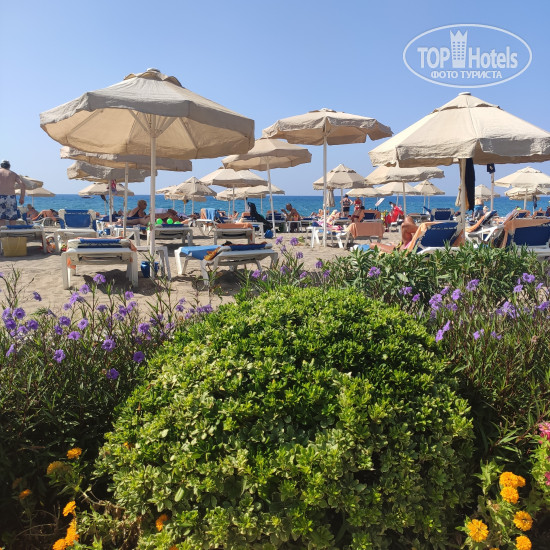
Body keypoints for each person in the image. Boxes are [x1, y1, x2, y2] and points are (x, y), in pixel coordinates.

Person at [0, 160, 25, 226]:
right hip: (11, 197)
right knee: (12, 218)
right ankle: (12, 231)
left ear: (1, 166)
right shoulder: (13, 174)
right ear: (9, 166)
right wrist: (22, 198)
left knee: (1, 218)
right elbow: (22, 185)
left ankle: (2, 231)